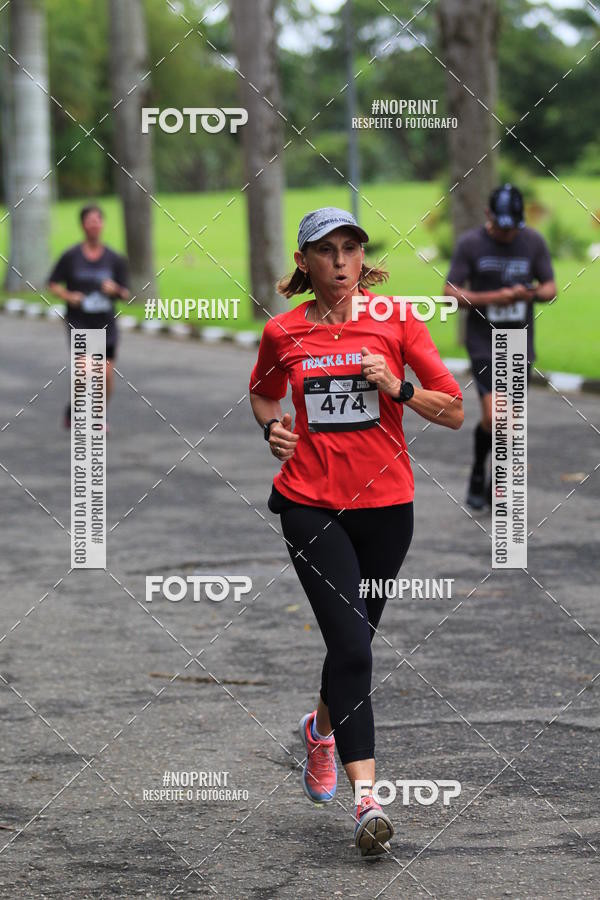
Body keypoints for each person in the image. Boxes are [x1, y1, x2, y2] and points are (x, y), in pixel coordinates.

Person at [249, 207, 464, 856]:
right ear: (304, 262)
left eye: (351, 248)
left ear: (360, 258)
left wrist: (397, 387)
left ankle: (320, 729)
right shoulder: (283, 332)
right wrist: (272, 427)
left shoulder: (396, 320)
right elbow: (262, 392)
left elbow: (453, 409)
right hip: (309, 504)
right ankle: (367, 800)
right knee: (355, 647)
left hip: (387, 509)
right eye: (326, 250)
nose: (341, 260)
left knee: (354, 645)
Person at [443, 184, 556, 509]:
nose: (507, 234)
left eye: (513, 228)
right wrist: (493, 298)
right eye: (501, 227)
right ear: (488, 215)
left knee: (511, 421)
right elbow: (449, 292)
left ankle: (497, 483)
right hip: (483, 343)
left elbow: (550, 287)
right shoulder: (471, 244)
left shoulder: (533, 241)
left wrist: (529, 293)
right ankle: (479, 468)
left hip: (520, 341)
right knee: (494, 417)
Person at [48, 205, 130, 429]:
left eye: (98, 220)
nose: (94, 225)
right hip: (79, 322)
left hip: (106, 325)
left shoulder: (114, 258)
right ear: (83, 225)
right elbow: (52, 283)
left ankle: (95, 413)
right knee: (85, 370)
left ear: (102, 224)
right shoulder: (71, 256)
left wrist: (115, 290)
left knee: (105, 375)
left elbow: (126, 293)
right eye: (89, 221)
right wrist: (68, 295)